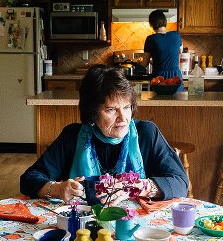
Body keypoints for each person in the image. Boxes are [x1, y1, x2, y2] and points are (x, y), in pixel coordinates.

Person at [20, 65, 188, 203]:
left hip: (136, 226)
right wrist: (57, 189)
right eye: (111, 109)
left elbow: (180, 183)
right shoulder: (72, 136)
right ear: (92, 112)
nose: (123, 118)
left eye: (127, 107)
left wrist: (135, 187)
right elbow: (29, 179)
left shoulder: (147, 134)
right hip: (82, 226)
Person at [143, 10, 184, 88]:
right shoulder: (176, 35)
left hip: (159, 78)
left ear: (151, 24)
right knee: (178, 99)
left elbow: (145, 64)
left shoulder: (150, 39)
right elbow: (180, 51)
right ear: (165, 21)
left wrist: (139, 62)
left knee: (158, 100)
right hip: (176, 77)